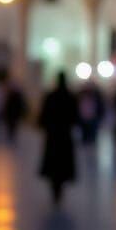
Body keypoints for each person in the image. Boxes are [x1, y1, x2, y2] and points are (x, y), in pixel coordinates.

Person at [38, 72, 80, 205]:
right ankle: (59, 190)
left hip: (53, 136)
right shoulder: (70, 97)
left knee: (53, 165)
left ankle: (55, 189)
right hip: (65, 136)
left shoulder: (50, 96)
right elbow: (75, 117)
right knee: (62, 164)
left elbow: (43, 117)